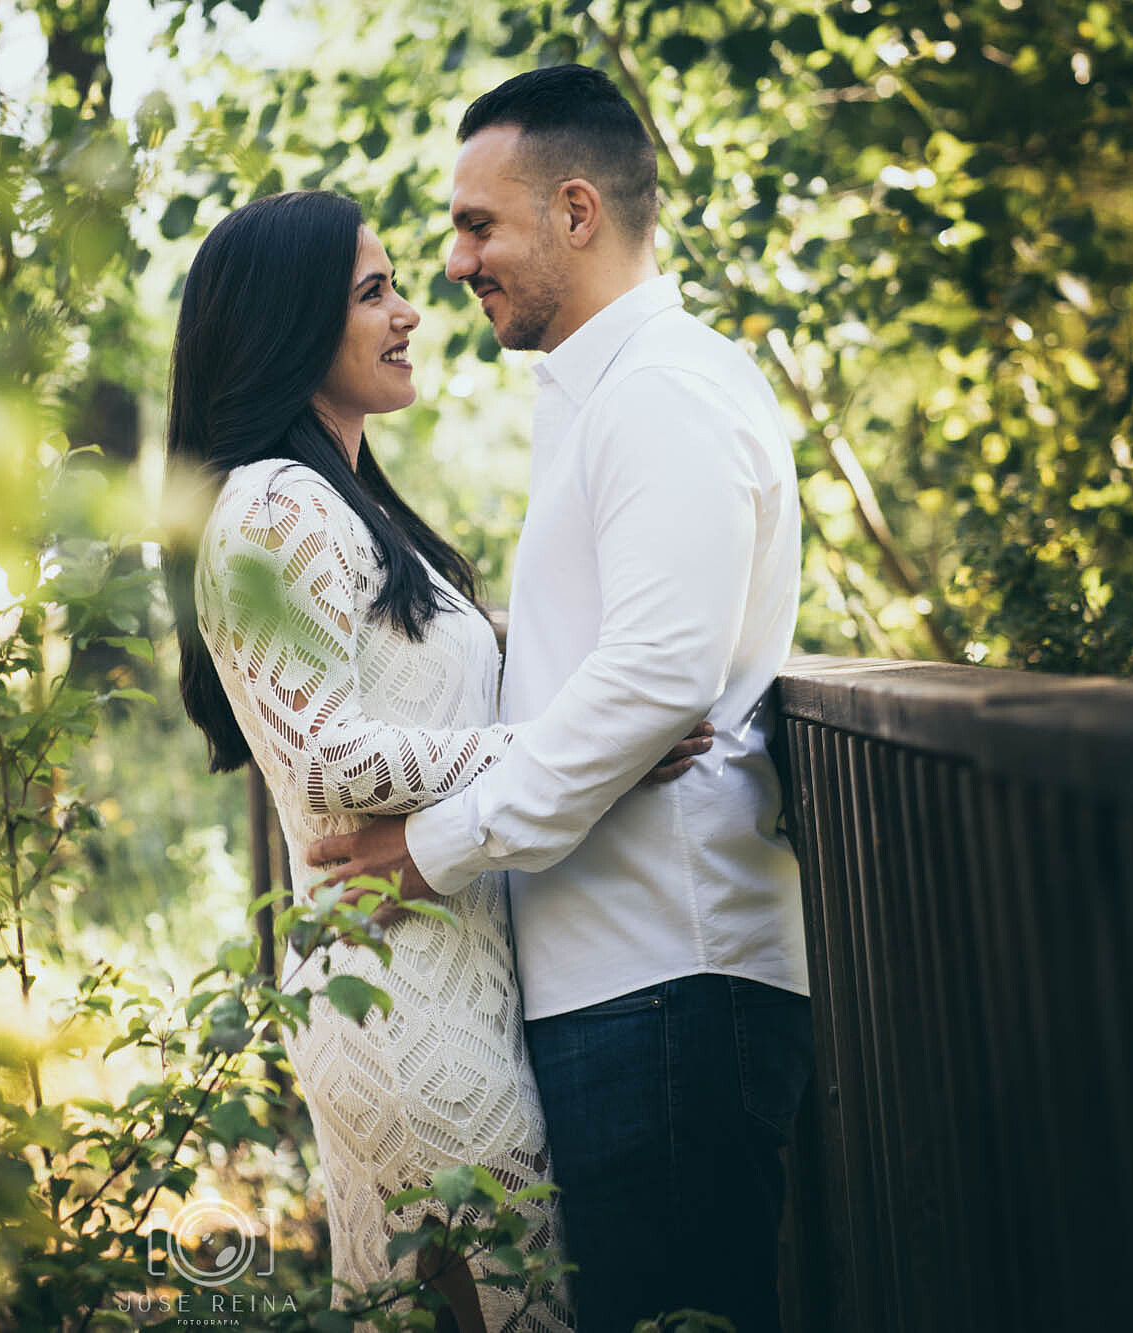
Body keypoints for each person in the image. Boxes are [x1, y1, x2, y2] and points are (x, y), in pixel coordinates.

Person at [307, 66, 813, 1333]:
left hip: (670, 984)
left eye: (479, 224)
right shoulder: (601, 402)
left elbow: (653, 679)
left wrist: (427, 854)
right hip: (621, 986)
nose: (456, 259)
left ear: (575, 211)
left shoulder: (660, 396)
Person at [166, 189, 708, 1333]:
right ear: (286, 326)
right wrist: (572, 750)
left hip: (436, 979)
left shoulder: (346, 502)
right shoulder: (275, 503)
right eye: (372, 293)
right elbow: (323, 759)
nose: (411, 311)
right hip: (399, 1004)